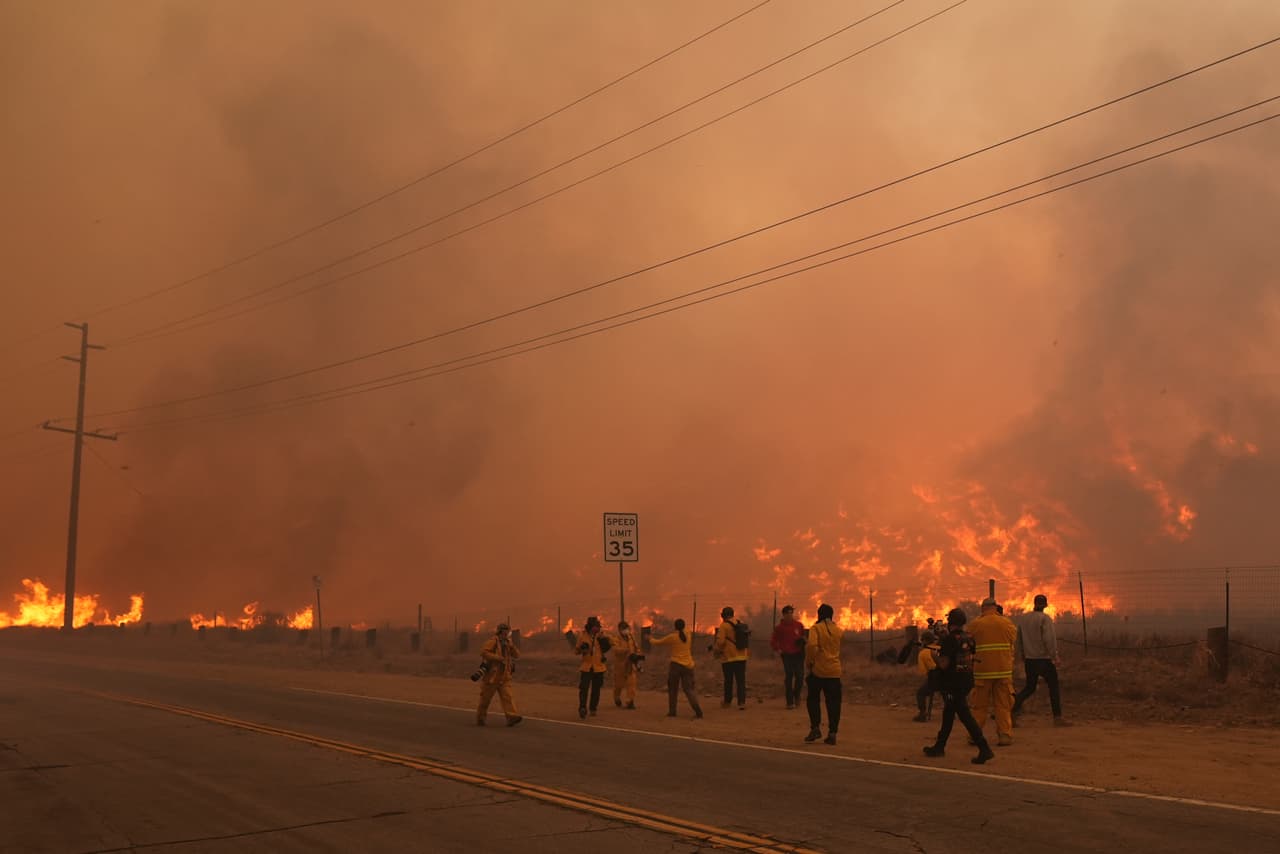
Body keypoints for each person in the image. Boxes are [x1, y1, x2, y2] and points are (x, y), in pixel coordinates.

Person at [922, 608, 994, 764]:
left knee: (964, 715)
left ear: (951, 622)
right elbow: (964, 652)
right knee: (948, 713)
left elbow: (944, 664)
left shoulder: (949, 640)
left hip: (953, 683)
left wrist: (934, 656)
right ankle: (939, 746)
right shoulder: (969, 637)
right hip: (966, 680)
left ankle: (984, 748)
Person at [1012, 594, 1072, 727]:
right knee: (1053, 686)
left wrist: (1022, 655)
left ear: (1034, 604)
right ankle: (1057, 718)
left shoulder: (1024, 619)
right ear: (1045, 605)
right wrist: (1054, 656)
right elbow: (1049, 639)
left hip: (1030, 660)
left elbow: (1019, 639)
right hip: (1043, 660)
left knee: (1030, 687)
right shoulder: (1045, 619)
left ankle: (1012, 711)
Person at [968, 596, 1018, 746]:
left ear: (983, 608)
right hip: (1003, 671)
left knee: (979, 706)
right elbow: (1012, 641)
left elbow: (968, 644)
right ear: (996, 608)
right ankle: (1004, 735)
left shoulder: (976, 624)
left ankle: (975, 736)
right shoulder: (1007, 623)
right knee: (1003, 705)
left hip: (982, 671)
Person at [803, 603, 843, 745]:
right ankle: (832, 733)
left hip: (818, 671)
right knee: (834, 703)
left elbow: (812, 645)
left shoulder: (816, 628)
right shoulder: (838, 630)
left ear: (819, 614)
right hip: (835, 671)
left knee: (813, 700)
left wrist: (809, 662)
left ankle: (815, 728)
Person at [651, 618, 703, 718]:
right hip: (688, 665)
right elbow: (685, 632)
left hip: (675, 665)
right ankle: (698, 711)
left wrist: (650, 639)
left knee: (673, 689)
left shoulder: (673, 637)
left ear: (675, 627)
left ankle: (672, 711)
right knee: (689, 690)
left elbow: (658, 642)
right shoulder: (688, 634)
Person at [476, 623, 523, 727]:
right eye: (505, 631)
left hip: (504, 677)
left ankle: (511, 717)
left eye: (508, 631)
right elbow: (484, 652)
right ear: (500, 631)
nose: (507, 633)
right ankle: (480, 718)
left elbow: (517, 655)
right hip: (492, 677)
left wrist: (512, 647)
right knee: (485, 700)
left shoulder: (508, 643)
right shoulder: (493, 642)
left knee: (508, 697)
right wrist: (498, 658)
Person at [770, 604, 806, 710]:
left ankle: (797, 696)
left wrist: (803, 641)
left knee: (800, 676)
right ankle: (790, 702)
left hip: (798, 654)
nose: (790, 615)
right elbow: (773, 640)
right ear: (784, 615)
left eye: (791, 613)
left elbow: (804, 636)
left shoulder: (798, 625)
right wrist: (778, 649)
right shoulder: (779, 628)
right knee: (789, 676)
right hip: (786, 655)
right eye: (788, 613)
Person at [714, 606, 750, 709]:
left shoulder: (724, 626)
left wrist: (716, 650)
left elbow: (720, 642)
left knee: (728, 681)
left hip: (728, 658)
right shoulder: (739, 623)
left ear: (723, 615)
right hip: (742, 657)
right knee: (741, 681)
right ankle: (741, 702)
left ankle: (727, 702)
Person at [575, 615, 608, 719]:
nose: (596, 629)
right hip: (586, 667)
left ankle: (593, 708)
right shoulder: (582, 636)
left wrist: (604, 640)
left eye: (598, 627)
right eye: (595, 626)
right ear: (590, 626)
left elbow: (608, 647)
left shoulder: (601, 636)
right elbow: (576, 651)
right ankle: (582, 708)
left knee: (596, 690)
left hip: (599, 667)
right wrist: (582, 649)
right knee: (584, 688)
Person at [610, 620, 641, 710]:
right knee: (618, 685)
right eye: (624, 629)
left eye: (627, 628)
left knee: (632, 684)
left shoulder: (631, 638)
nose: (626, 630)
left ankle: (630, 701)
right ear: (619, 629)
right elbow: (616, 650)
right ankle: (616, 697)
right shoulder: (616, 639)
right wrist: (626, 651)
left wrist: (637, 655)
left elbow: (636, 648)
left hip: (630, 665)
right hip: (620, 665)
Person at [913, 629, 942, 722]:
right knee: (945, 692)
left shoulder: (923, 653)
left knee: (920, 693)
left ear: (924, 641)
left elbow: (924, 672)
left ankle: (922, 714)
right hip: (948, 678)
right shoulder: (941, 648)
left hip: (935, 679)